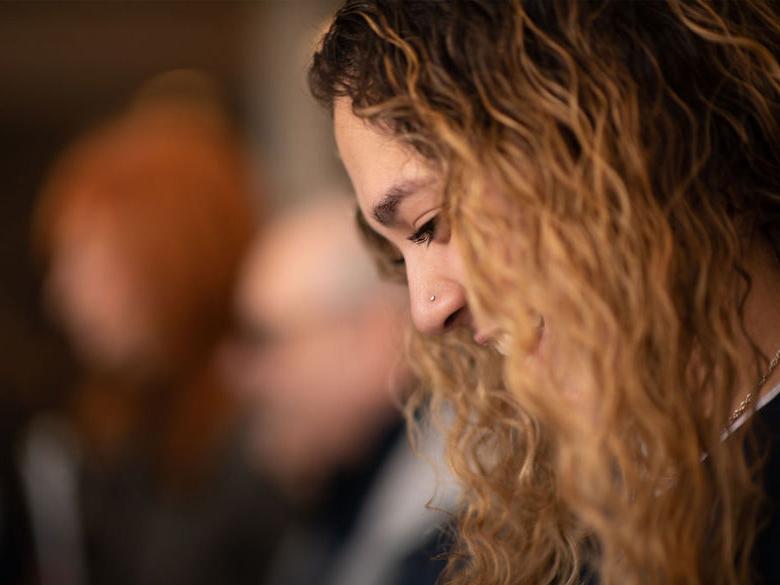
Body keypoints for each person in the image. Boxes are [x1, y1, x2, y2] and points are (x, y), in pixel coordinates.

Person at [308, 2, 780, 585]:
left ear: (612, 139)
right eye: (399, 255)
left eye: (431, 221)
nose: (427, 310)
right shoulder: (572, 525)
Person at [28, 71, 285, 585]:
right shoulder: (125, 423)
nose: (60, 295)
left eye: (86, 263)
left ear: (171, 261)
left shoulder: (265, 440)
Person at [221, 196, 455, 585]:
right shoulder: (339, 495)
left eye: (266, 339)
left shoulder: (459, 535)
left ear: (375, 336)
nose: (246, 375)